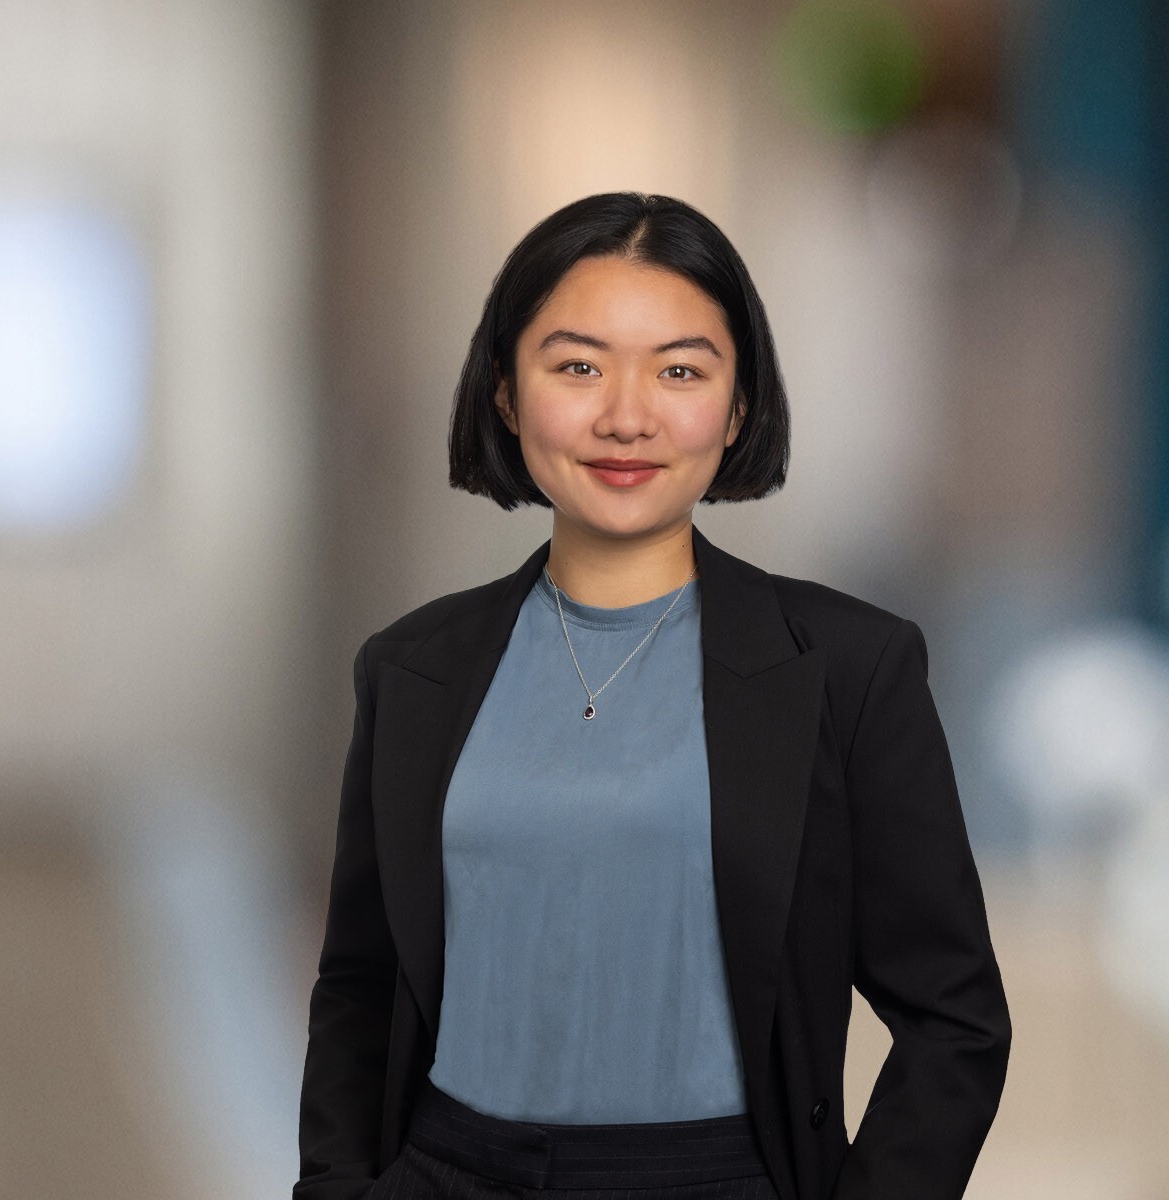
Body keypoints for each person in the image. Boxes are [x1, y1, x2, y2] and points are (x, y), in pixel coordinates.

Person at [295, 192, 1012, 1200]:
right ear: (506, 393)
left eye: (680, 370)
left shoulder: (850, 669)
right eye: (577, 365)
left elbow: (955, 1018)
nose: (626, 415)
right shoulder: (412, 668)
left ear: (739, 405)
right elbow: (361, 990)